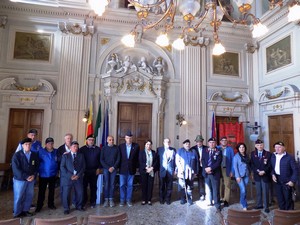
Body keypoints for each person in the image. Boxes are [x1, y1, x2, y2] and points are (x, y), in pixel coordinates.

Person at [11, 137, 39, 218]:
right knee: (19, 196)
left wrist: (34, 175)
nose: (28, 146)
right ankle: (17, 213)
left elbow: (36, 166)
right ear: (22, 145)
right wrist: (26, 176)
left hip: (31, 180)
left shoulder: (34, 155)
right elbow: (16, 169)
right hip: (20, 180)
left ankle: (25, 210)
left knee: (29, 195)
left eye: (29, 144)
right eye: (26, 144)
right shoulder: (17, 155)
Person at [271, 141, 298, 210]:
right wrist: (273, 174)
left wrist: (292, 181)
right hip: (277, 180)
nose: (277, 149)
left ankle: (289, 214)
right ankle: (282, 212)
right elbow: (272, 168)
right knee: (280, 198)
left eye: (279, 147)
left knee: (288, 198)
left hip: (287, 181)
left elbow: (295, 170)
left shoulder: (290, 157)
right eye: (276, 147)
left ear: (284, 148)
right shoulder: (273, 156)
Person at [60, 141, 86, 214]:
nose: (76, 148)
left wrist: (78, 175)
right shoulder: (65, 156)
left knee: (80, 192)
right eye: (74, 146)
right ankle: (66, 208)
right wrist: (70, 176)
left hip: (78, 178)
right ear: (70, 147)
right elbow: (62, 167)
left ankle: (79, 206)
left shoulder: (81, 155)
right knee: (66, 194)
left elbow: (83, 167)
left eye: (77, 147)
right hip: (68, 178)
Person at [35, 137, 58, 212]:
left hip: (53, 175)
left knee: (52, 191)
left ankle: (51, 204)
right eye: (48, 143)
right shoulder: (41, 151)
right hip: (43, 175)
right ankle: (39, 206)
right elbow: (36, 162)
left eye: (52, 143)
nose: (50, 144)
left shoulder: (56, 151)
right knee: (41, 191)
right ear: (45, 144)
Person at [79, 134, 101, 208]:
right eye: (89, 140)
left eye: (92, 140)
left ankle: (93, 201)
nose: (91, 141)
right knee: (84, 187)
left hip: (94, 171)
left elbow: (100, 159)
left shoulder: (98, 149)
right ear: (87, 141)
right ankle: (84, 201)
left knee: (93, 187)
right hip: (84, 171)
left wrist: (99, 168)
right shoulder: (82, 149)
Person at [118, 131, 140, 207]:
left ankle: (128, 200)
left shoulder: (136, 146)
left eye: (130, 138)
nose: (129, 139)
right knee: (122, 185)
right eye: (127, 138)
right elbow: (119, 158)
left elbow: (137, 158)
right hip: (122, 169)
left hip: (132, 169)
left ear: (132, 138)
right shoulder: (121, 146)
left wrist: (137, 167)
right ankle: (122, 200)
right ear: (125, 138)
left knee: (130, 185)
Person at [250, 139, 272, 213]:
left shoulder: (268, 154)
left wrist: (264, 171)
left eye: (261, 145)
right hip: (257, 175)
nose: (260, 146)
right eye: (258, 145)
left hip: (265, 175)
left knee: (265, 191)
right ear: (256, 146)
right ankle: (259, 204)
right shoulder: (253, 153)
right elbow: (252, 164)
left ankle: (266, 206)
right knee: (258, 191)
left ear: (263, 145)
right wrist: (257, 171)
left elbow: (270, 165)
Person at [176, 139, 199, 206]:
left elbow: (197, 161)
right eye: (186, 144)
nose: (187, 145)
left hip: (190, 173)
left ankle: (189, 198)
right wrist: (180, 169)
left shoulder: (193, 151)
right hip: (182, 172)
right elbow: (177, 161)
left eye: (188, 144)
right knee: (182, 186)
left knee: (190, 186)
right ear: (183, 145)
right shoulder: (180, 151)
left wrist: (196, 171)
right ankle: (183, 198)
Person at [202, 137, 222, 211]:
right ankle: (209, 202)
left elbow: (218, 162)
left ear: (215, 143)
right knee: (208, 188)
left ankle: (217, 204)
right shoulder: (205, 150)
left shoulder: (218, 151)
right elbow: (203, 160)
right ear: (208, 143)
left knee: (215, 189)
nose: (212, 144)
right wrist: (206, 168)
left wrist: (210, 168)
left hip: (215, 173)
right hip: (206, 173)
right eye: (210, 142)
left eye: (213, 142)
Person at [100, 135, 120, 207]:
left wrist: (114, 167)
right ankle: (106, 200)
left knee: (112, 184)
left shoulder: (116, 148)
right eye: (110, 140)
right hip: (106, 169)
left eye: (112, 140)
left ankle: (111, 199)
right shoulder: (104, 148)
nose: (111, 141)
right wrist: (108, 168)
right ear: (107, 140)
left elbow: (118, 159)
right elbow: (101, 159)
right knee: (106, 184)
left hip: (114, 169)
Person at [157, 138, 176, 205]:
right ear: (163, 142)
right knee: (161, 186)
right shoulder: (159, 149)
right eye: (166, 142)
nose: (167, 143)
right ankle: (161, 199)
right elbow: (157, 160)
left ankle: (168, 199)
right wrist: (157, 169)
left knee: (169, 186)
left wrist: (175, 170)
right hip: (162, 171)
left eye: (168, 142)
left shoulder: (173, 150)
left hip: (170, 171)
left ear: (170, 143)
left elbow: (175, 161)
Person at [139, 139, 158, 205]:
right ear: (145, 145)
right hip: (144, 171)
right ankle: (144, 199)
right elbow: (140, 162)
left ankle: (149, 199)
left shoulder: (154, 152)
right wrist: (146, 167)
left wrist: (152, 168)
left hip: (151, 171)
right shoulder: (141, 152)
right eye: (147, 144)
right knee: (144, 185)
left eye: (150, 144)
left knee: (150, 186)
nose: (148, 146)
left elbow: (156, 162)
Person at [233, 142, 250, 210]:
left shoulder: (247, 155)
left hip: (246, 174)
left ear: (245, 148)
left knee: (244, 189)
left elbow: (249, 165)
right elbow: (235, 167)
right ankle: (244, 205)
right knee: (243, 190)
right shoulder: (236, 156)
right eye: (240, 147)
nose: (242, 149)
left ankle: (241, 200)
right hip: (239, 175)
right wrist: (237, 176)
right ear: (238, 149)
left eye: (243, 147)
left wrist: (250, 173)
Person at [217, 136, 234, 207]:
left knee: (227, 184)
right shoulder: (217, 148)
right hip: (218, 168)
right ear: (220, 141)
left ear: (227, 142)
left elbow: (233, 160)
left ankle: (226, 200)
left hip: (227, 168)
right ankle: (220, 198)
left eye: (225, 140)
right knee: (219, 184)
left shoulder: (230, 149)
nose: (224, 141)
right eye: (222, 140)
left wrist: (232, 171)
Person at [191, 134, 207, 201]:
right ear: (196, 142)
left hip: (205, 167)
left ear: (202, 141)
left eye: (200, 141)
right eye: (198, 141)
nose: (199, 143)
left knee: (206, 181)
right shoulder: (193, 149)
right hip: (197, 168)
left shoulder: (206, 148)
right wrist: (193, 170)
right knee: (200, 181)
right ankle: (202, 195)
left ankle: (208, 194)